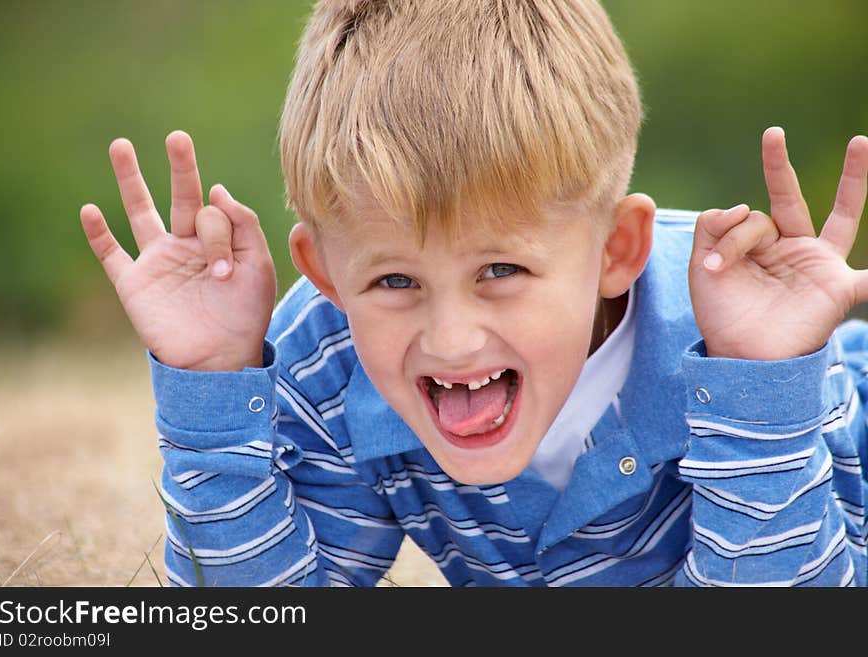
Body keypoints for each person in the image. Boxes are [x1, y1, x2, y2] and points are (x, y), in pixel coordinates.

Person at [80, 0, 868, 586]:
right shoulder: (327, 357)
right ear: (325, 274)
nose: (451, 338)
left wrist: (765, 387)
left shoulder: (750, 333)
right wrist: (212, 384)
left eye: (501, 271)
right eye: (394, 280)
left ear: (615, 249)